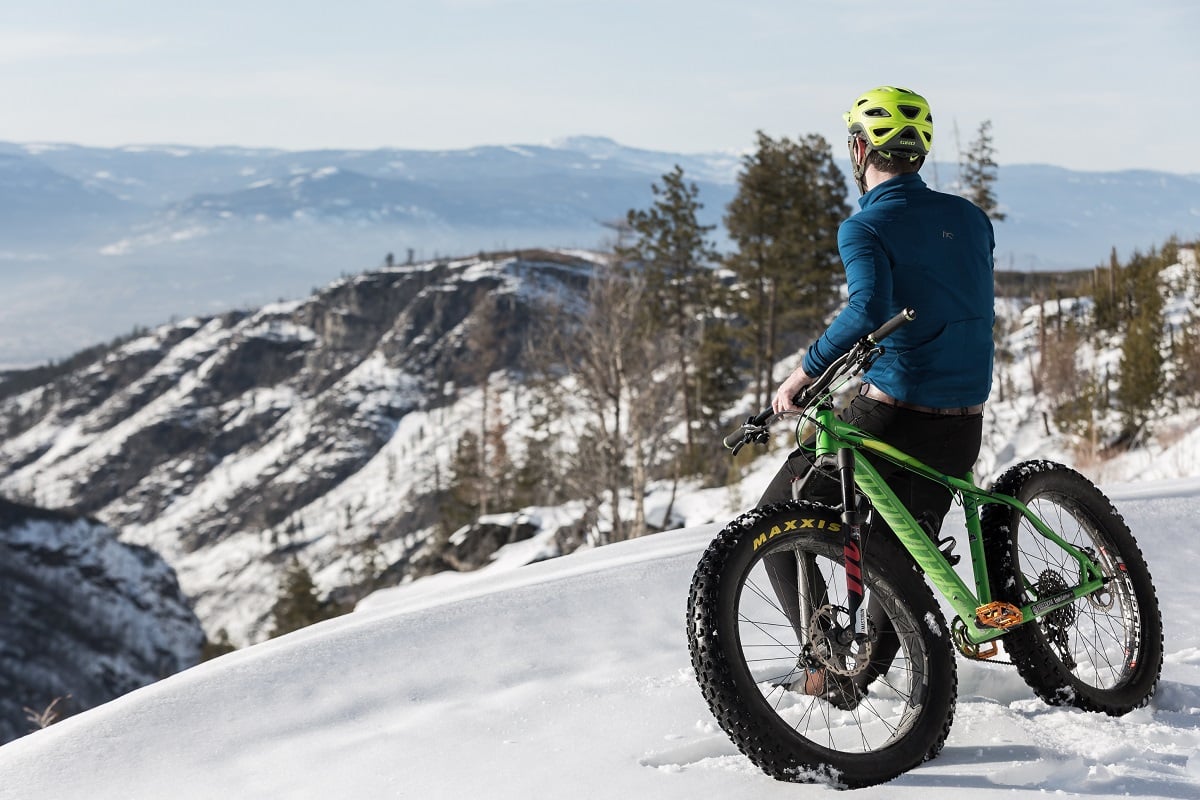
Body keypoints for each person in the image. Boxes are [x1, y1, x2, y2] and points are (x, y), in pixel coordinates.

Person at [759, 85, 995, 708]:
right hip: (964, 418)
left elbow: (869, 309)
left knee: (777, 514)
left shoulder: (864, 225)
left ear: (860, 149)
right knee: (899, 549)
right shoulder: (971, 218)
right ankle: (860, 671)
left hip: (897, 411)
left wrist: (803, 373)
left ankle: (828, 661)